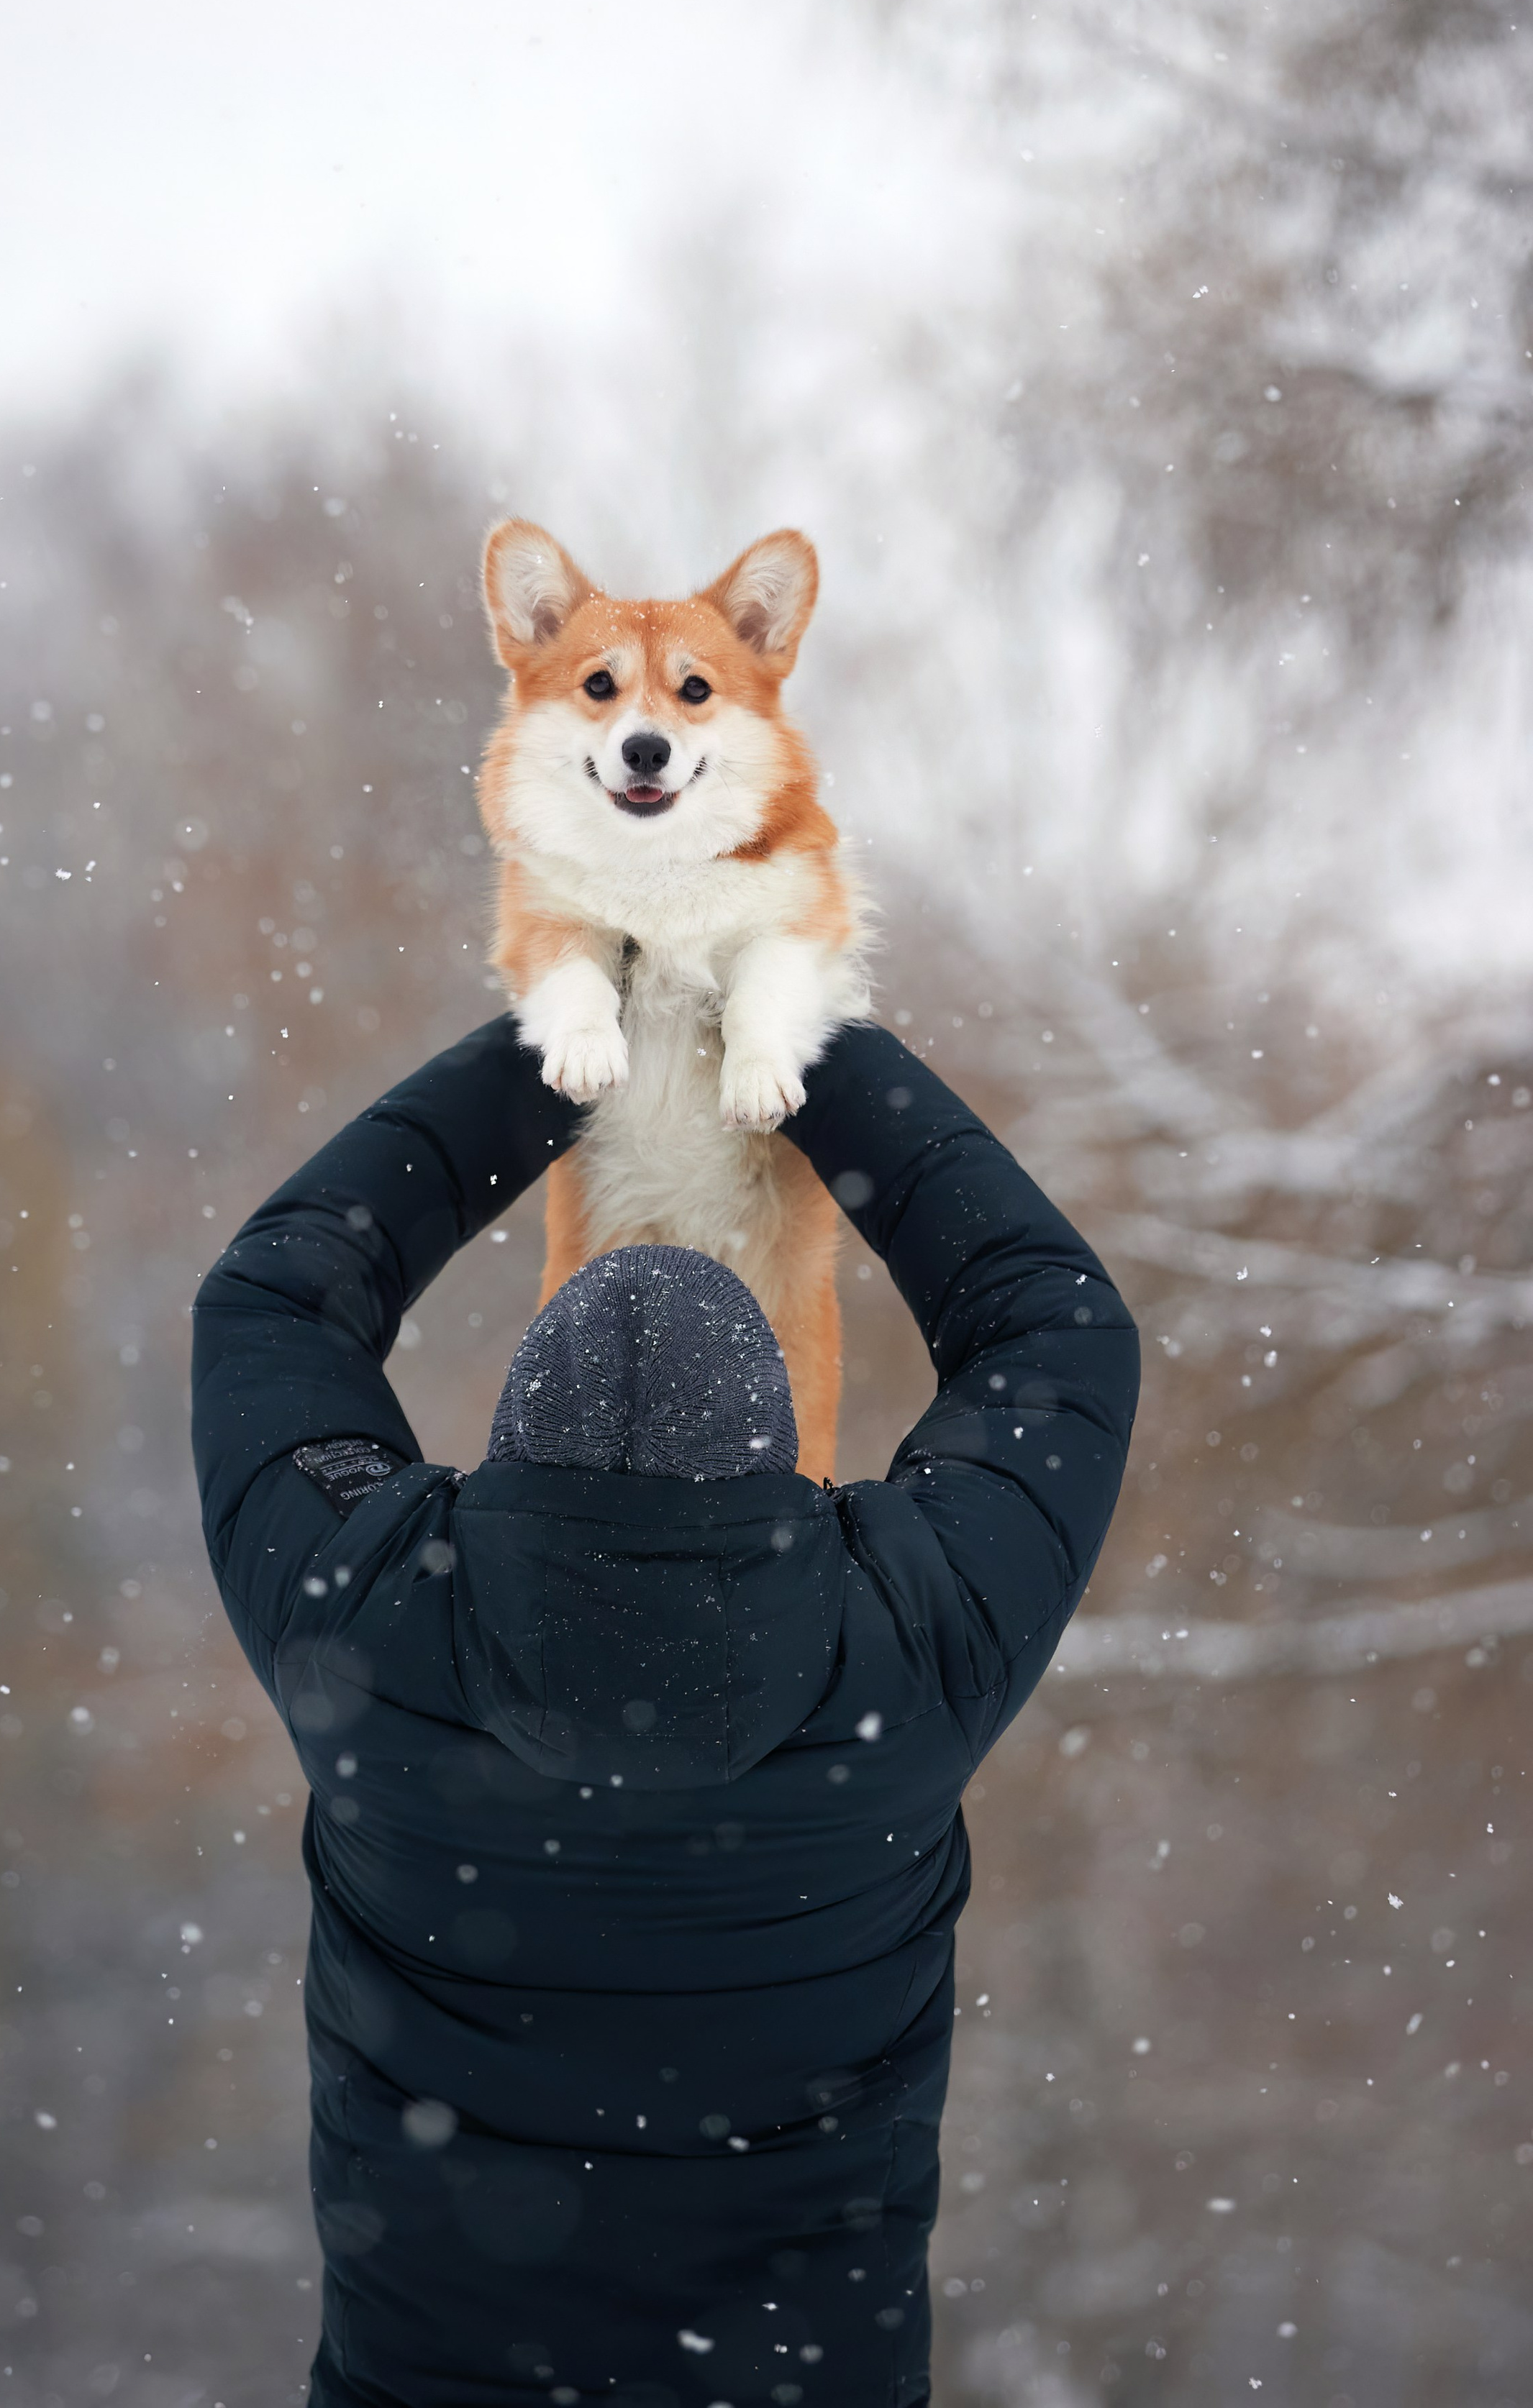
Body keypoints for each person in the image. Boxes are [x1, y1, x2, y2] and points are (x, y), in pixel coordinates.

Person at [191, 1013, 1138, 2407]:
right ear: (779, 1451)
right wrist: (783, 1036)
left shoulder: (372, 1616)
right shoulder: (902, 1642)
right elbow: (1054, 1331)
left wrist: (578, 1038)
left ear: (511, 1438)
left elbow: (271, 1305)